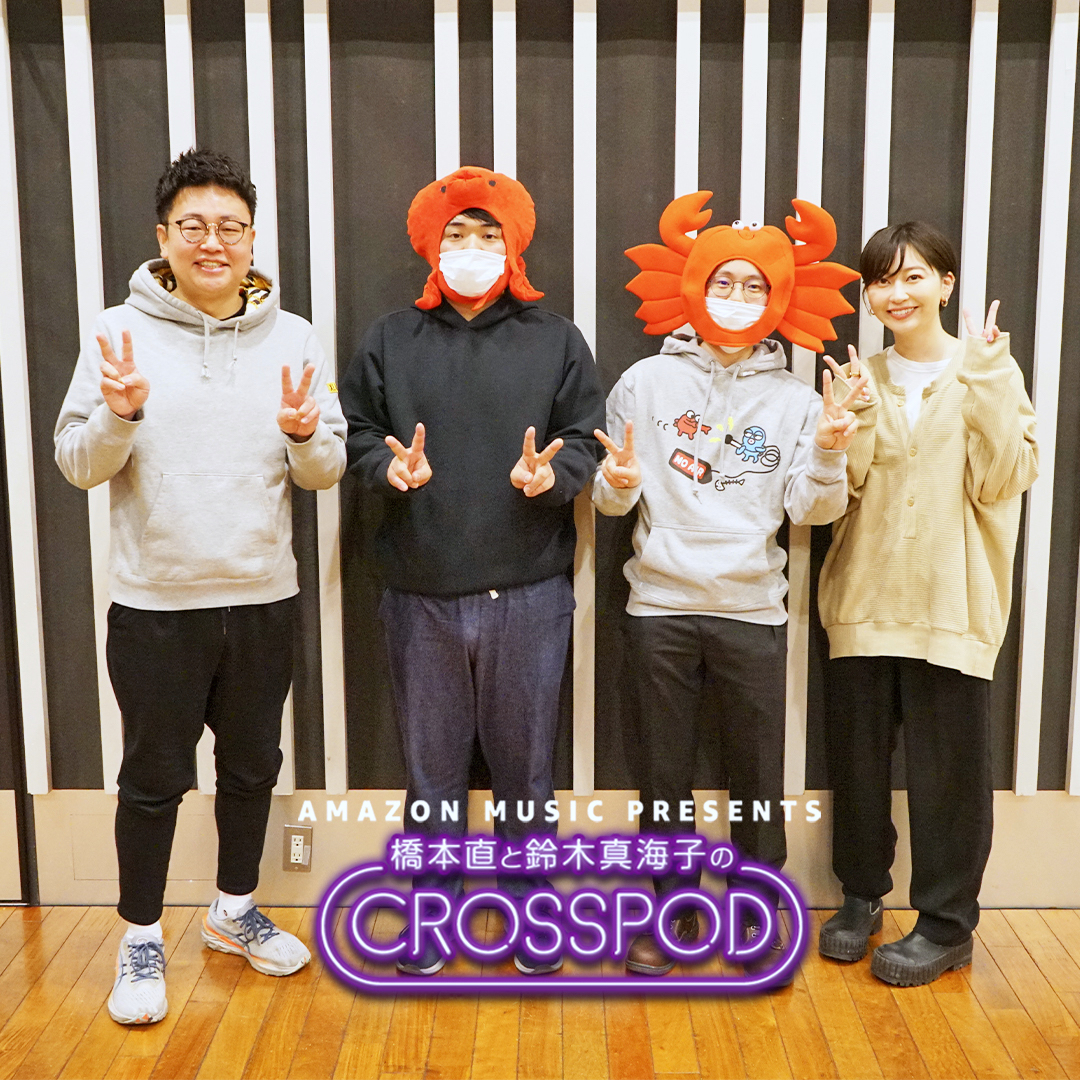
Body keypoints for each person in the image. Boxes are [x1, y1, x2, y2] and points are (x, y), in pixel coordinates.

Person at [54, 149, 347, 1024]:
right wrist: (120, 415)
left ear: (252, 239)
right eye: (194, 226)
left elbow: (326, 469)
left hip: (263, 596)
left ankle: (232, 911)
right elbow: (76, 464)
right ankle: (141, 936)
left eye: (230, 227)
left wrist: (304, 435)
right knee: (152, 778)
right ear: (163, 237)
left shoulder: (293, 336)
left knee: (253, 768)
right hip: (156, 604)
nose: (212, 242)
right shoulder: (117, 332)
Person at [339, 166, 605, 976]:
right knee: (430, 775)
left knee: (528, 773)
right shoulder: (390, 338)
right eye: (457, 233)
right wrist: (386, 469)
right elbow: (356, 432)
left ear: (513, 244)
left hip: (529, 588)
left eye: (488, 234)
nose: (472, 247)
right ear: (431, 243)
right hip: (419, 591)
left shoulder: (556, 339)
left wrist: (550, 477)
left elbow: (585, 439)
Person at [593, 192, 865, 976]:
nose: (737, 298)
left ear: (777, 298)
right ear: (695, 285)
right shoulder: (644, 382)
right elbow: (613, 500)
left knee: (756, 777)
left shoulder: (796, 400)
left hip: (752, 609)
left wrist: (829, 449)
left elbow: (812, 511)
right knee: (662, 778)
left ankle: (754, 910)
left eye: (754, 286)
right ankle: (669, 912)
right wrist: (614, 483)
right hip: (659, 606)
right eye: (724, 282)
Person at [816, 222, 1038, 986]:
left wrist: (989, 378)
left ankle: (946, 925)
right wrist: (843, 423)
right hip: (863, 602)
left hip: (953, 608)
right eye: (881, 280)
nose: (895, 293)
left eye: (913, 276)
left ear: (946, 283)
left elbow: (1003, 478)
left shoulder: (990, 370)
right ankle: (861, 898)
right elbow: (839, 492)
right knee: (857, 770)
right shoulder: (859, 375)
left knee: (951, 779)